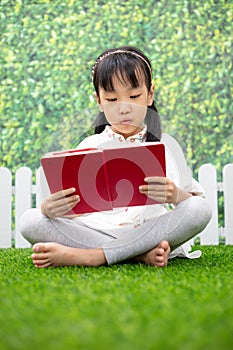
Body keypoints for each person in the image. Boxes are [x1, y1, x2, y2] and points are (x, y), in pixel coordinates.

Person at [19, 46, 212, 268]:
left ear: (150, 95)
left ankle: (94, 257)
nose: (123, 108)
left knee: (200, 209)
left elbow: (194, 204)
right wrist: (50, 210)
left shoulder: (162, 148)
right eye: (112, 99)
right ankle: (137, 254)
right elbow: (72, 209)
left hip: (146, 230)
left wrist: (175, 194)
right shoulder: (88, 146)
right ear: (99, 101)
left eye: (133, 96)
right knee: (30, 220)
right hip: (97, 231)